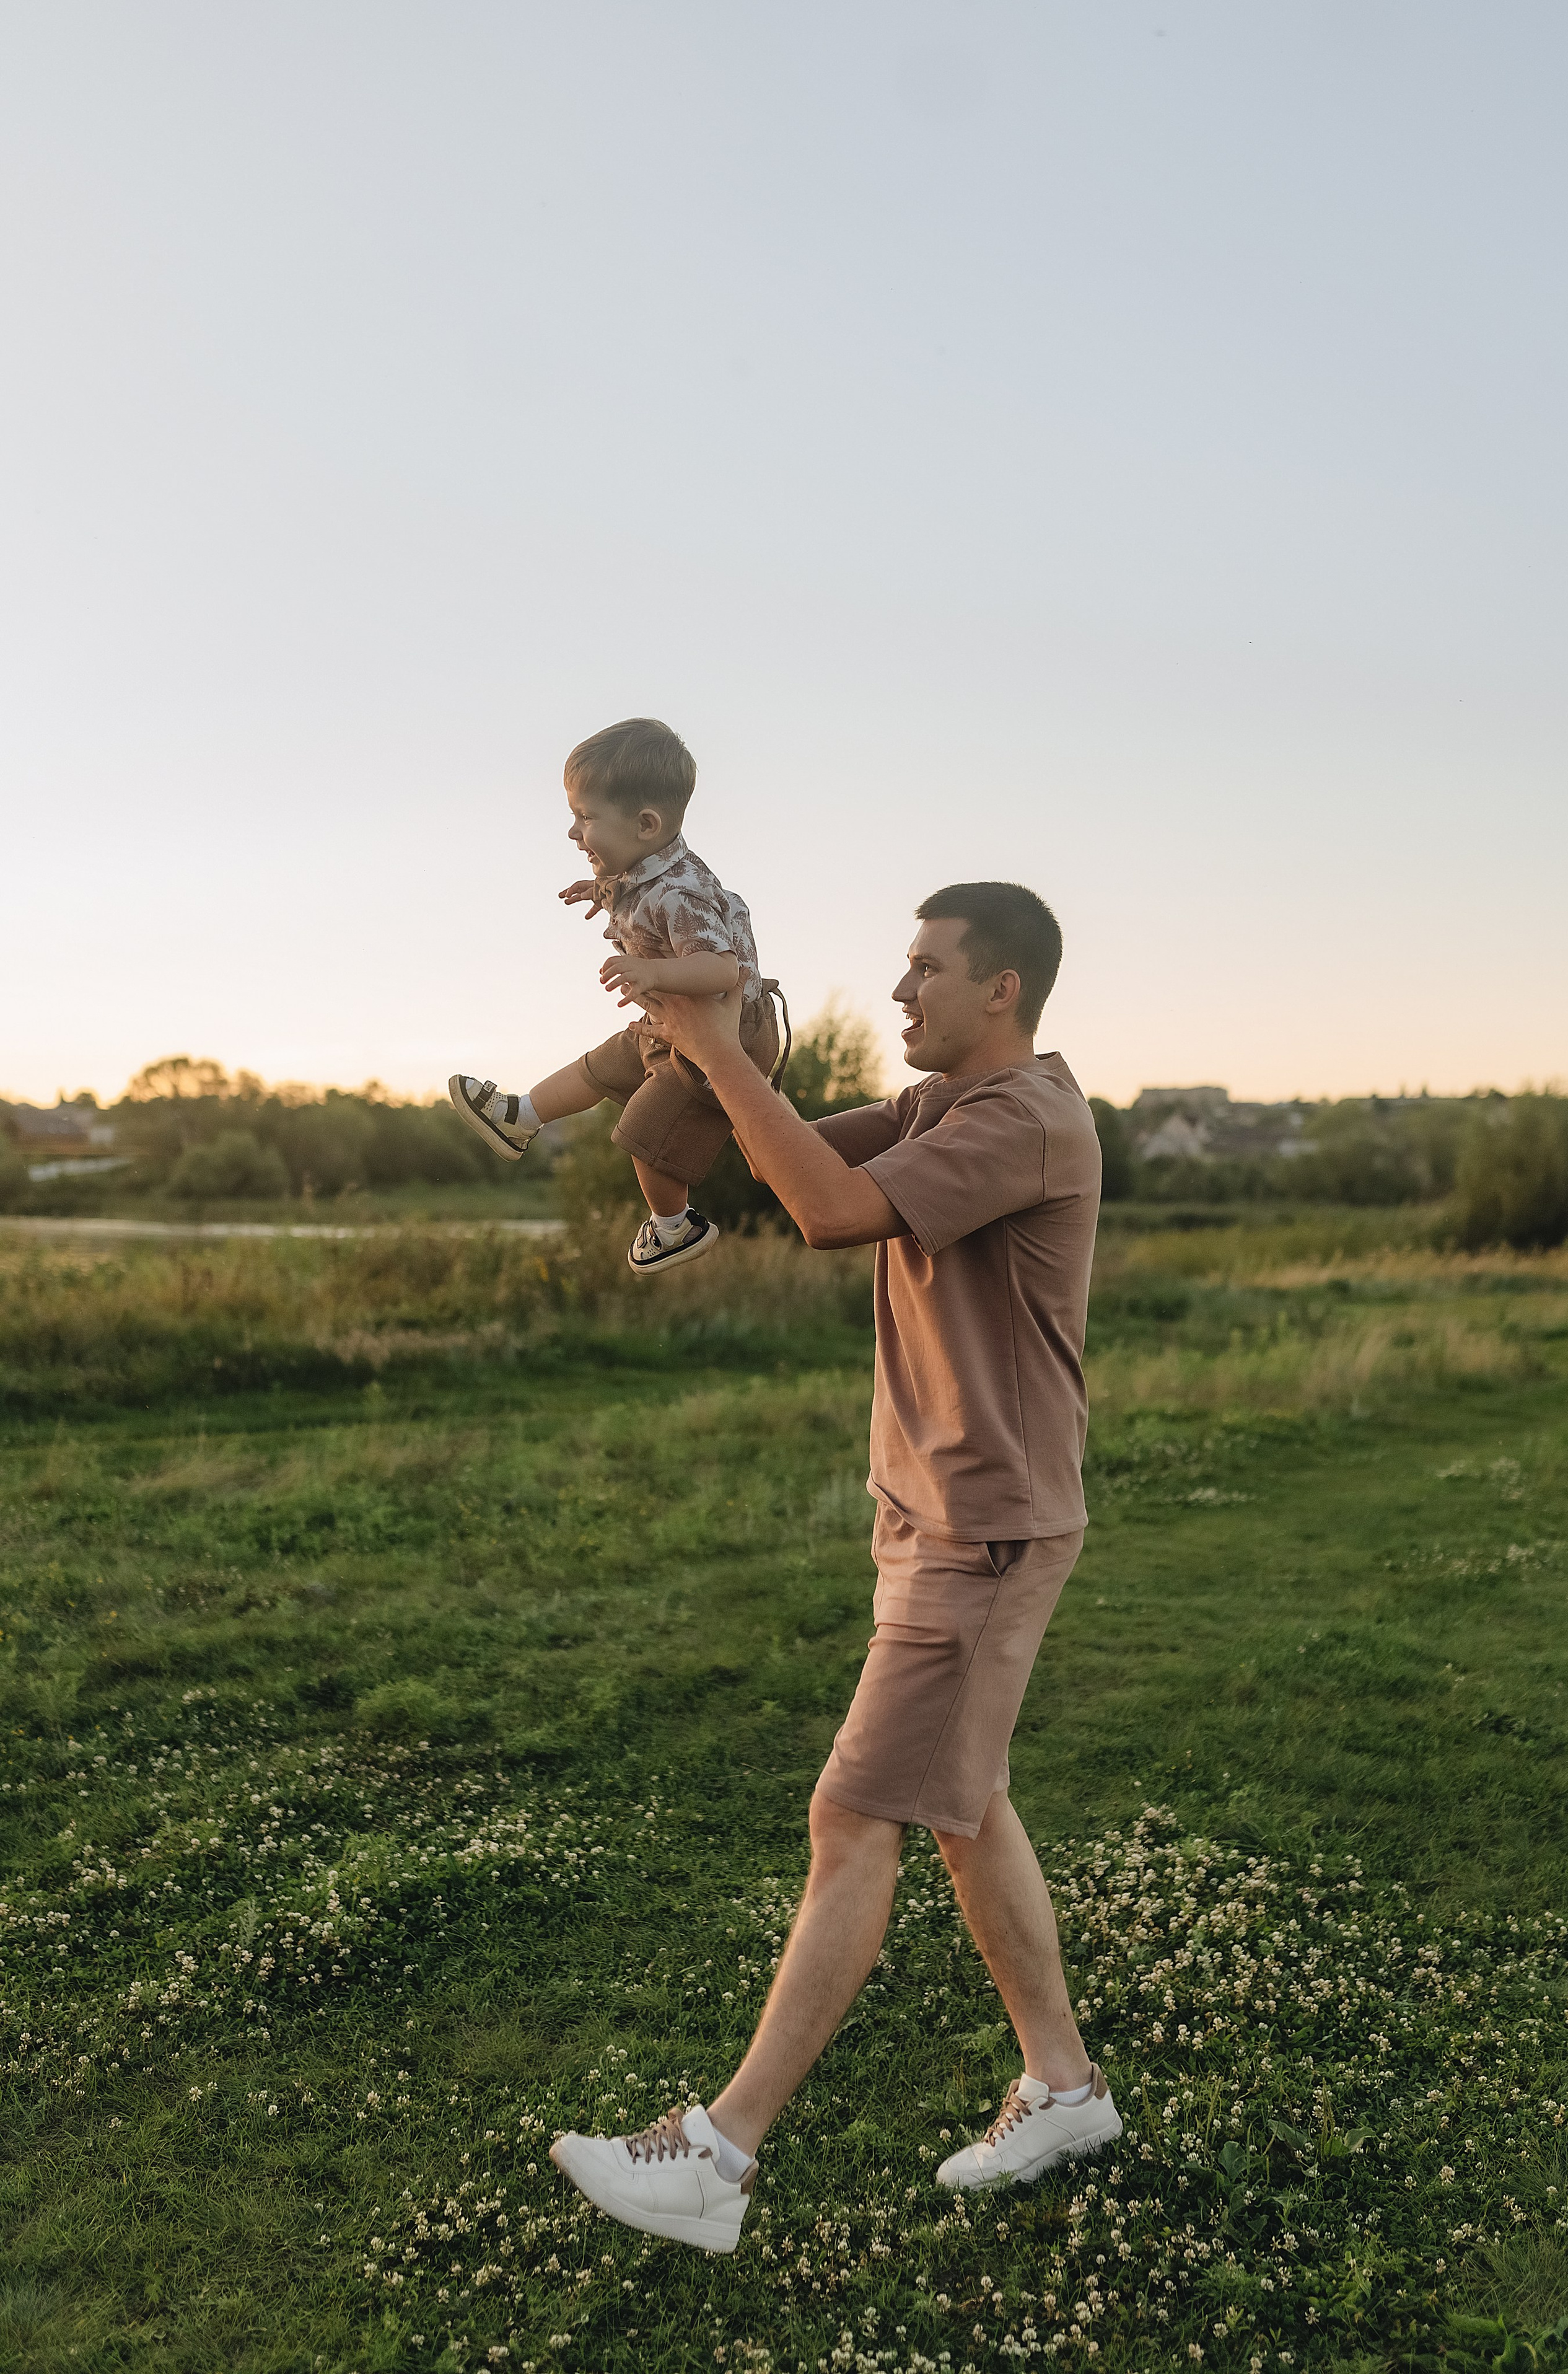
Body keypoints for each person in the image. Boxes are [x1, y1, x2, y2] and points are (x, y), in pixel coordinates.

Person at [550, 880, 1119, 2253]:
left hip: (982, 1528)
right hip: (936, 1515)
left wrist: (726, 1044)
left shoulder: (1022, 1120)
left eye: (925, 968)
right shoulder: (942, 1108)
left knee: (853, 1814)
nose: (901, 988)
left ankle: (716, 2155)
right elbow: (777, 1152)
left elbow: (825, 1210)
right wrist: (696, 1032)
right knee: (961, 1803)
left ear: (1002, 989)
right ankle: (1063, 2084)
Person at [448, 717, 786, 1275]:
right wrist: (602, 891)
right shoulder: (647, 872)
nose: (574, 834)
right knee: (600, 1067)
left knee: (642, 1130)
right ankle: (520, 1118)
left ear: (646, 823)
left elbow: (721, 968)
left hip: (722, 1037)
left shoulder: (681, 893)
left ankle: (675, 1228)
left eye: (585, 818)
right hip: (675, 1023)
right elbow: (638, 894)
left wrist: (652, 975)